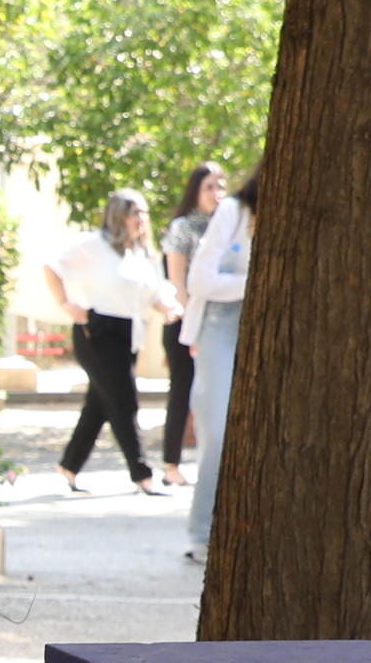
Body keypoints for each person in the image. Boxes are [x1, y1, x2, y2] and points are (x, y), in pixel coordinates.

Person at [40, 189, 177, 493]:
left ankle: (69, 466)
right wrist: (65, 303)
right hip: (97, 330)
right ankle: (143, 475)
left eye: (144, 212)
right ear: (119, 216)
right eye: (135, 212)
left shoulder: (142, 253)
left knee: (99, 404)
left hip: (129, 333)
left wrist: (169, 308)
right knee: (124, 400)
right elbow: (51, 266)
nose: (142, 219)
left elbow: (154, 293)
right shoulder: (93, 244)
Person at [185, 176, 255, 556]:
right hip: (221, 325)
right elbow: (200, 280)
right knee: (216, 432)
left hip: (267, 323)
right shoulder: (234, 210)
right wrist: (255, 281)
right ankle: (202, 534)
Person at [157, 160, 227, 482]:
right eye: (209, 187)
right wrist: (193, 328)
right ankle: (171, 466)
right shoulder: (183, 227)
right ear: (195, 191)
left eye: (221, 185)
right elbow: (177, 283)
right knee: (182, 392)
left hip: (221, 321)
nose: (216, 192)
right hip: (186, 322)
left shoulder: (228, 227)